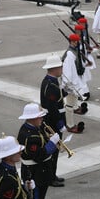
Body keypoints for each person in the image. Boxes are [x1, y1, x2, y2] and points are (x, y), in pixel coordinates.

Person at [17, 103, 59, 199]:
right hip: (34, 173)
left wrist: (50, 139)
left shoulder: (35, 128)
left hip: (41, 171)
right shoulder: (28, 135)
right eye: (39, 117)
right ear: (32, 118)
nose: (42, 119)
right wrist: (52, 144)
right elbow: (39, 155)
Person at [40, 55, 72, 188]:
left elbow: (56, 98)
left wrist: (65, 92)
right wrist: (59, 123)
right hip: (53, 121)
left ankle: (52, 175)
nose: (62, 68)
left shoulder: (51, 81)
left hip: (54, 119)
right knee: (53, 150)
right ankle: (50, 177)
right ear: (54, 68)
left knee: (55, 150)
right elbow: (52, 107)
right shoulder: (51, 84)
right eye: (60, 66)